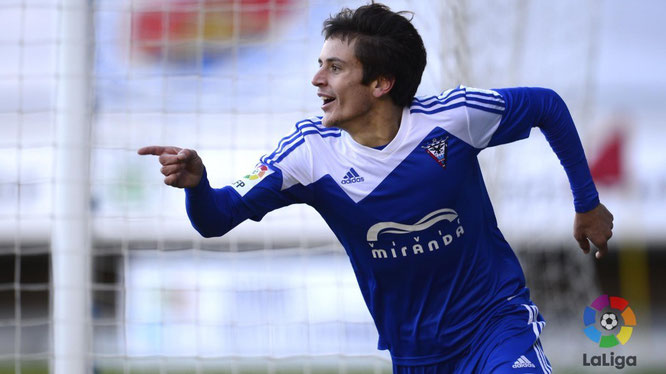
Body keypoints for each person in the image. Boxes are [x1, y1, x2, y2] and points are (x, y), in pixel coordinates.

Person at [139, 3, 613, 373]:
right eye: (320, 64)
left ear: (381, 83)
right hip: (415, 356)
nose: (317, 79)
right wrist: (198, 185)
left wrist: (587, 204)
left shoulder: (454, 119)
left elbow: (546, 106)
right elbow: (216, 219)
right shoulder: (308, 154)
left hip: (495, 324)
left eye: (335, 68)